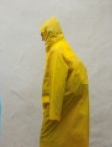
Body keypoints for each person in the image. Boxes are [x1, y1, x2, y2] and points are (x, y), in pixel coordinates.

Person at [39, 16, 90, 147]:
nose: (42, 39)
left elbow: (57, 82)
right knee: (70, 134)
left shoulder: (56, 51)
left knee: (48, 137)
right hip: (71, 100)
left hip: (61, 103)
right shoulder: (63, 46)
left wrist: (53, 112)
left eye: (43, 35)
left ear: (49, 33)